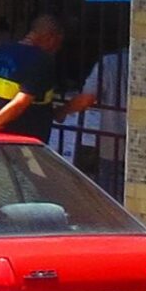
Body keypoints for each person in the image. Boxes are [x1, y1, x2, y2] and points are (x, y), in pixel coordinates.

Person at [0, 12, 65, 141]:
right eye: (58, 42)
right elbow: (22, 100)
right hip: (24, 136)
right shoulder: (41, 60)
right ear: (51, 38)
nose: (57, 48)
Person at [50, 48, 128, 197]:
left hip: (113, 144)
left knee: (110, 196)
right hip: (140, 148)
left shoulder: (110, 62)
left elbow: (86, 98)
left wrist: (61, 111)